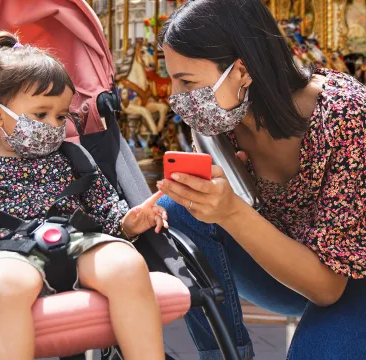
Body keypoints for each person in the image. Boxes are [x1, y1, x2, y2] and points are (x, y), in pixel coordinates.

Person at [0, 31, 169, 360]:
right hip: (8, 252)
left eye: (61, 116)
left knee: (127, 264)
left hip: (81, 242)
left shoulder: (75, 159)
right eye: (40, 115)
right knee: (1, 285)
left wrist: (129, 222)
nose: (53, 125)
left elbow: (106, 211)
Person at [155, 0, 366, 359]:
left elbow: (330, 287)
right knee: (175, 206)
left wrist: (232, 211)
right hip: (288, 270)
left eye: (186, 80)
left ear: (242, 70)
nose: (176, 97)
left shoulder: (346, 116)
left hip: (353, 280)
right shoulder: (220, 122)